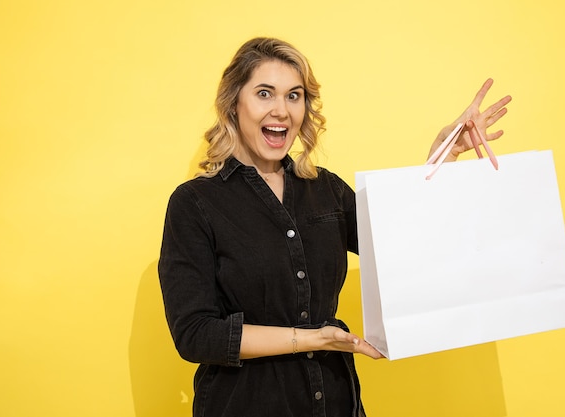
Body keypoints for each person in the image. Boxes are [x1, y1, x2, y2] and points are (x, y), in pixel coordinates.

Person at [158, 37, 511, 417]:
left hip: (335, 402)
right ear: (233, 103)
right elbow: (195, 334)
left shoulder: (325, 189)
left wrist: (442, 156)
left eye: (294, 96)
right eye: (265, 93)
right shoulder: (195, 203)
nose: (281, 110)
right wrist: (312, 339)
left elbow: (397, 244)